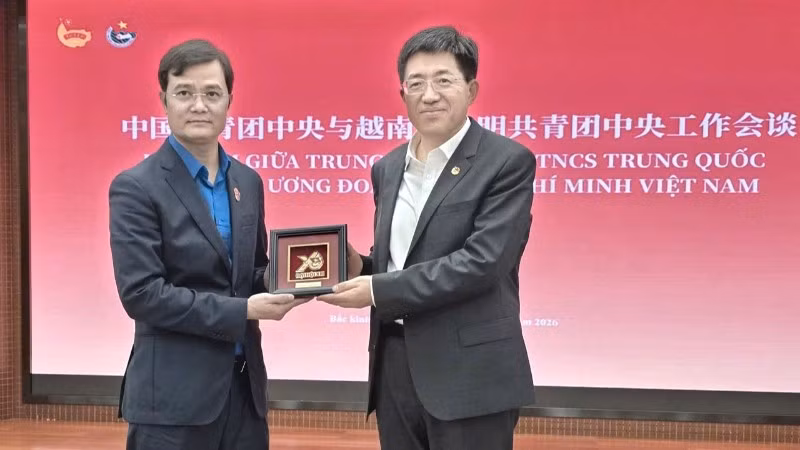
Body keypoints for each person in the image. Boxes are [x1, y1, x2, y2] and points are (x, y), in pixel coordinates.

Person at [319, 25, 537, 450]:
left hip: (469, 371)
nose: (429, 95)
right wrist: (360, 266)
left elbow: (482, 263)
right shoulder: (387, 167)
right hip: (395, 363)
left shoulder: (506, 161)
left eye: (443, 80)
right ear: (402, 94)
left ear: (471, 89)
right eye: (415, 83)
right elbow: (402, 260)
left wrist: (377, 289)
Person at [109, 39, 308, 450]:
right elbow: (143, 294)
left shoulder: (247, 181)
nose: (199, 105)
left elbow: (251, 272)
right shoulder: (136, 187)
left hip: (244, 395)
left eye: (212, 94)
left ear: (229, 101)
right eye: (184, 93)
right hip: (172, 402)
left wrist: (297, 276)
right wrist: (245, 309)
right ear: (164, 100)